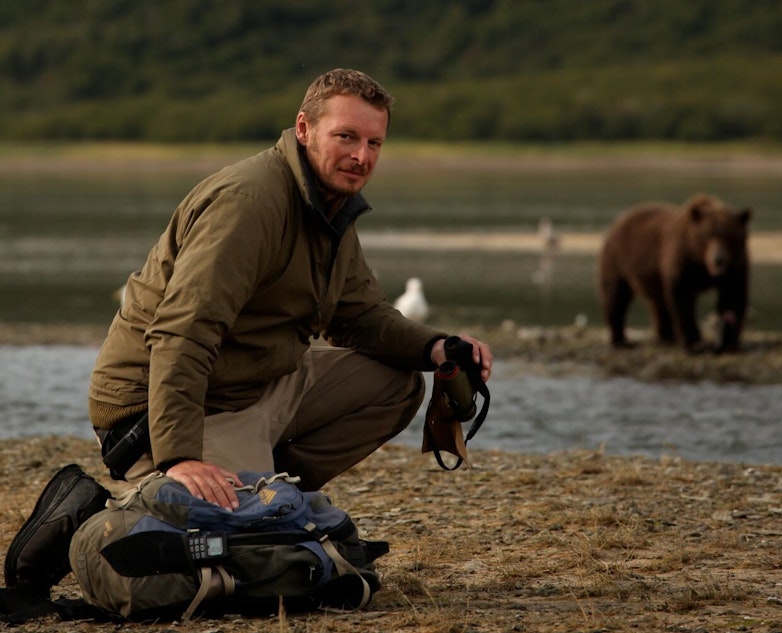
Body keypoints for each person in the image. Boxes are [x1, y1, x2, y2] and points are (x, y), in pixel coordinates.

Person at [87, 67, 493, 511]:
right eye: (346, 137)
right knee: (245, 550)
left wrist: (437, 347)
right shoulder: (250, 203)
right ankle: (161, 491)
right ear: (304, 129)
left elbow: (358, 317)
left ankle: (272, 486)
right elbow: (185, 331)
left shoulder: (330, 205)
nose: (361, 156)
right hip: (159, 410)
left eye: (374, 143)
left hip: (253, 384)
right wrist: (181, 457)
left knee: (398, 381)